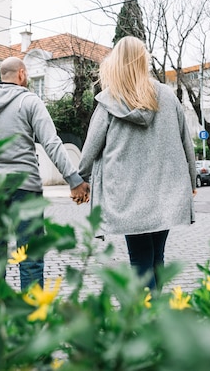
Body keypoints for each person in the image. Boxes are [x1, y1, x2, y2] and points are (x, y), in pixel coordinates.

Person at [0, 56, 90, 290]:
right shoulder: (30, 101)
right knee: (30, 257)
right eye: (26, 73)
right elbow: (51, 142)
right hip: (24, 189)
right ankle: (31, 320)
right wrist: (74, 180)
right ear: (20, 74)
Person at [77, 36, 197, 290]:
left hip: (127, 195)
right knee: (157, 258)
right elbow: (187, 142)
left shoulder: (109, 100)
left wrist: (79, 180)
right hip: (166, 191)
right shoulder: (167, 96)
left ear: (116, 63)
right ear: (144, 61)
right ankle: (158, 316)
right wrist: (191, 179)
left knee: (140, 261)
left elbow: (90, 148)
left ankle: (147, 320)